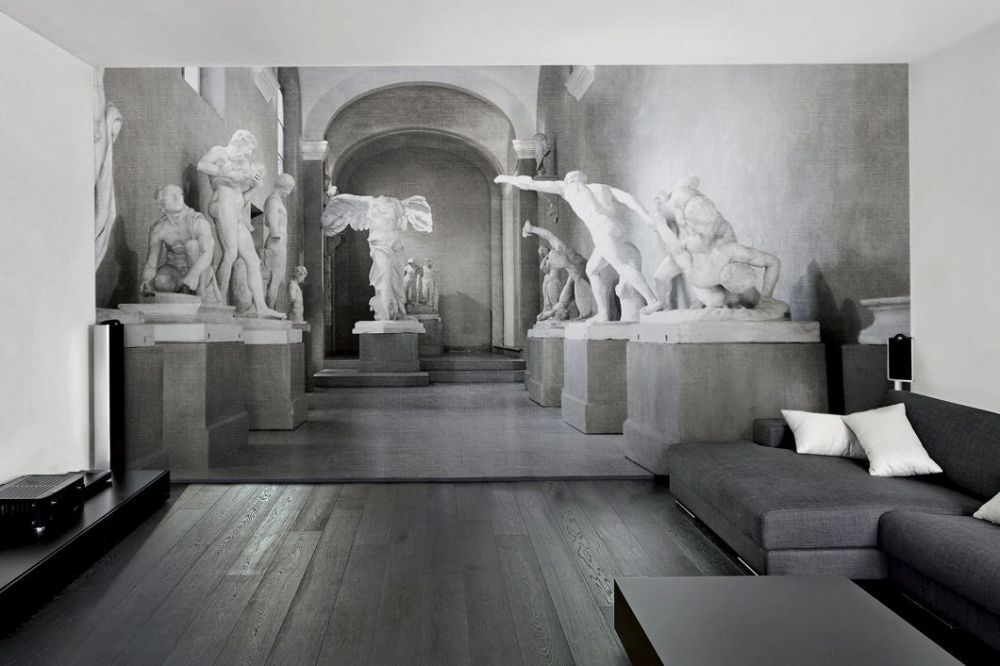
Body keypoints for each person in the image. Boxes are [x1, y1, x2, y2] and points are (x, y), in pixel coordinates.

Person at [495, 171, 661, 321]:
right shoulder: (601, 188)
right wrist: (647, 218)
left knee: (621, 266)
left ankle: (653, 300)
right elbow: (629, 198)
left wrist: (507, 178)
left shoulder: (567, 187)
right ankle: (603, 314)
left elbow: (530, 183)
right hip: (616, 226)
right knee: (592, 269)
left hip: (600, 228)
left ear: (569, 180)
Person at [651, 177, 783, 311]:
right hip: (698, 258)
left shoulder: (726, 245)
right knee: (714, 297)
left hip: (714, 253)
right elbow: (675, 250)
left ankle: (724, 295)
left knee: (734, 297)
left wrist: (766, 298)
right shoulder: (684, 200)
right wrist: (666, 199)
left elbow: (771, 262)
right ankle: (663, 302)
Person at [197, 130, 285, 318]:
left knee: (253, 260)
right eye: (248, 149)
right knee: (230, 252)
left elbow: (243, 199)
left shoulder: (244, 164)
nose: (248, 154)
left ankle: (261, 307)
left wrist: (256, 186)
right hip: (222, 203)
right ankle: (219, 301)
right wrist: (227, 173)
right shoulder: (220, 152)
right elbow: (201, 165)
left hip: (236, 210)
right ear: (239, 142)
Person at [321, 192, 433, 320]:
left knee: (396, 279)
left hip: (396, 246)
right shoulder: (371, 203)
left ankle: (397, 311)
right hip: (381, 245)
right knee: (385, 277)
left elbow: (402, 225)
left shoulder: (396, 205)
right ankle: (385, 313)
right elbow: (343, 202)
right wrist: (328, 220)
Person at [139, 184, 221, 302]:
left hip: (201, 272)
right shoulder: (159, 228)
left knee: (192, 245)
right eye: (171, 195)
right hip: (176, 271)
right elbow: (152, 261)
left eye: (179, 194)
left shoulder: (197, 221)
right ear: (161, 205)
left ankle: (201, 293)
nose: (177, 198)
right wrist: (145, 280)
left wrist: (194, 274)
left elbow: (208, 253)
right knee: (161, 281)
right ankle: (183, 290)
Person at [263, 173, 296, 310]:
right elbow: (271, 223)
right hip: (276, 242)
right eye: (289, 189)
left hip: (279, 242)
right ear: (284, 186)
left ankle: (270, 309)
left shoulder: (276, 200)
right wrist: (277, 233)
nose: (288, 193)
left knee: (276, 279)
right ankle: (269, 310)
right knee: (275, 279)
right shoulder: (273, 201)